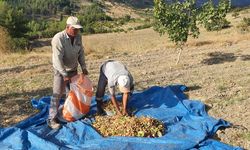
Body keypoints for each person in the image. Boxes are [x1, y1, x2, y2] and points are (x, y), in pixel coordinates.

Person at [48, 16, 88, 129]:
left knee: (72, 93)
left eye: (78, 29)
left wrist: (83, 67)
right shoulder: (58, 38)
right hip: (61, 71)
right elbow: (57, 59)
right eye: (74, 29)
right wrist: (64, 74)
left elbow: (81, 53)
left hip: (73, 69)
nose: (76, 31)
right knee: (57, 93)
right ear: (67, 27)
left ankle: (68, 113)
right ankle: (52, 119)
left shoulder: (78, 37)